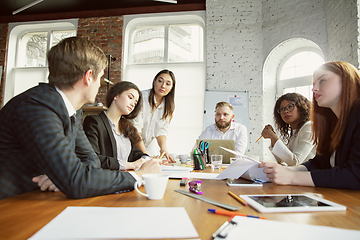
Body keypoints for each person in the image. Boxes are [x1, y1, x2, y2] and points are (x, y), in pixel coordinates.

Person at [0, 37, 161, 200]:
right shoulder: (36, 107)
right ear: (88, 76)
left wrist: (62, 177)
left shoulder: (73, 111)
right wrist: (139, 176)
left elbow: (90, 159)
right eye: (100, 78)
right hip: (10, 204)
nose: (99, 85)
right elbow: (76, 182)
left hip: (39, 200)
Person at [260, 61, 360, 190]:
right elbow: (318, 163)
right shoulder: (332, 123)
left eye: (322, 80)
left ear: (347, 81)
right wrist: (284, 172)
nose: (314, 89)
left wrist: (290, 177)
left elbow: (355, 175)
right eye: (313, 84)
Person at [83, 81, 157, 171]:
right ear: (116, 95)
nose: (133, 104)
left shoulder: (127, 127)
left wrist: (149, 160)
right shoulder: (94, 122)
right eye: (130, 97)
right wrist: (130, 165)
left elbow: (135, 154)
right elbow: (93, 158)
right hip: (107, 180)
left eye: (135, 102)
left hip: (127, 179)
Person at [132, 69, 176, 162]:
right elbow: (136, 129)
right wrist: (145, 154)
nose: (163, 86)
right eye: (160, 81)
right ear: (154, 82)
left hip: (149, 149)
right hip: (131, 146)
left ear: (172, 88)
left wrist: (163, 148)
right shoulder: (141, 98)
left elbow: (161, 131)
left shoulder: (168, 106)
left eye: (168, 84)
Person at [260, 93, 316, 166]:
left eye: (290, 107)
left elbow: (294, 162)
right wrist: (272, 137)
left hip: (311, 176)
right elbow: (282, 160)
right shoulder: (295, 130)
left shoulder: (309, 127)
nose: (286, 111)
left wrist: (273, 136)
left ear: (301, 108)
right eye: (282, 109)